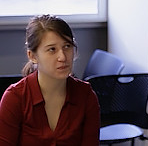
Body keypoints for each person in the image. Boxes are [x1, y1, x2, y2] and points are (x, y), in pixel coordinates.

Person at [0, 14, 100, 146]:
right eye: (52, 49)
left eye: (67, 46)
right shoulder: (15, 98)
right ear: (32, 56)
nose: (62, 57)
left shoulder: (86, 96)